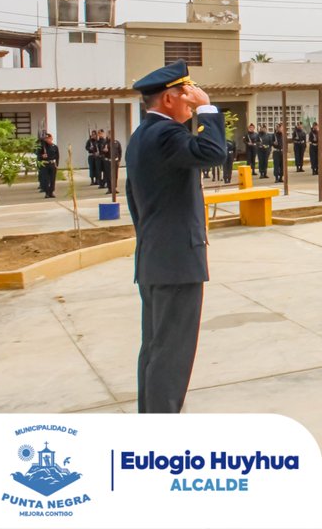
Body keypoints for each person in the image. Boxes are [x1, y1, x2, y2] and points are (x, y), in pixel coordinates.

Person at [126, 60, 226, 413]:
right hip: (176, 263)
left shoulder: (142, 137)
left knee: (155, 349)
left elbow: (135, 202)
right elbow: (214, 153)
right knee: (172, 354)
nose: (192, 100)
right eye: (187, 94)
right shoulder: (167, 134)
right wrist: (209, 108)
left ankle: (151, 421)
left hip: (156, 258)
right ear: (169, 99)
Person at [37, 132, 60, 198]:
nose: (48, 140)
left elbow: (57, 156)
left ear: (51, 138)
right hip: (45, 165)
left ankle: (51, 192)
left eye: (49, 138)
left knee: (52, 179)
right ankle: (46, 192)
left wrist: (57, 164)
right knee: (45, 179)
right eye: (46, 138)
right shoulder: (42, 147)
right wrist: (42, 156)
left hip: (52, 164)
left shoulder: (54, 147)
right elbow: (38, 156)